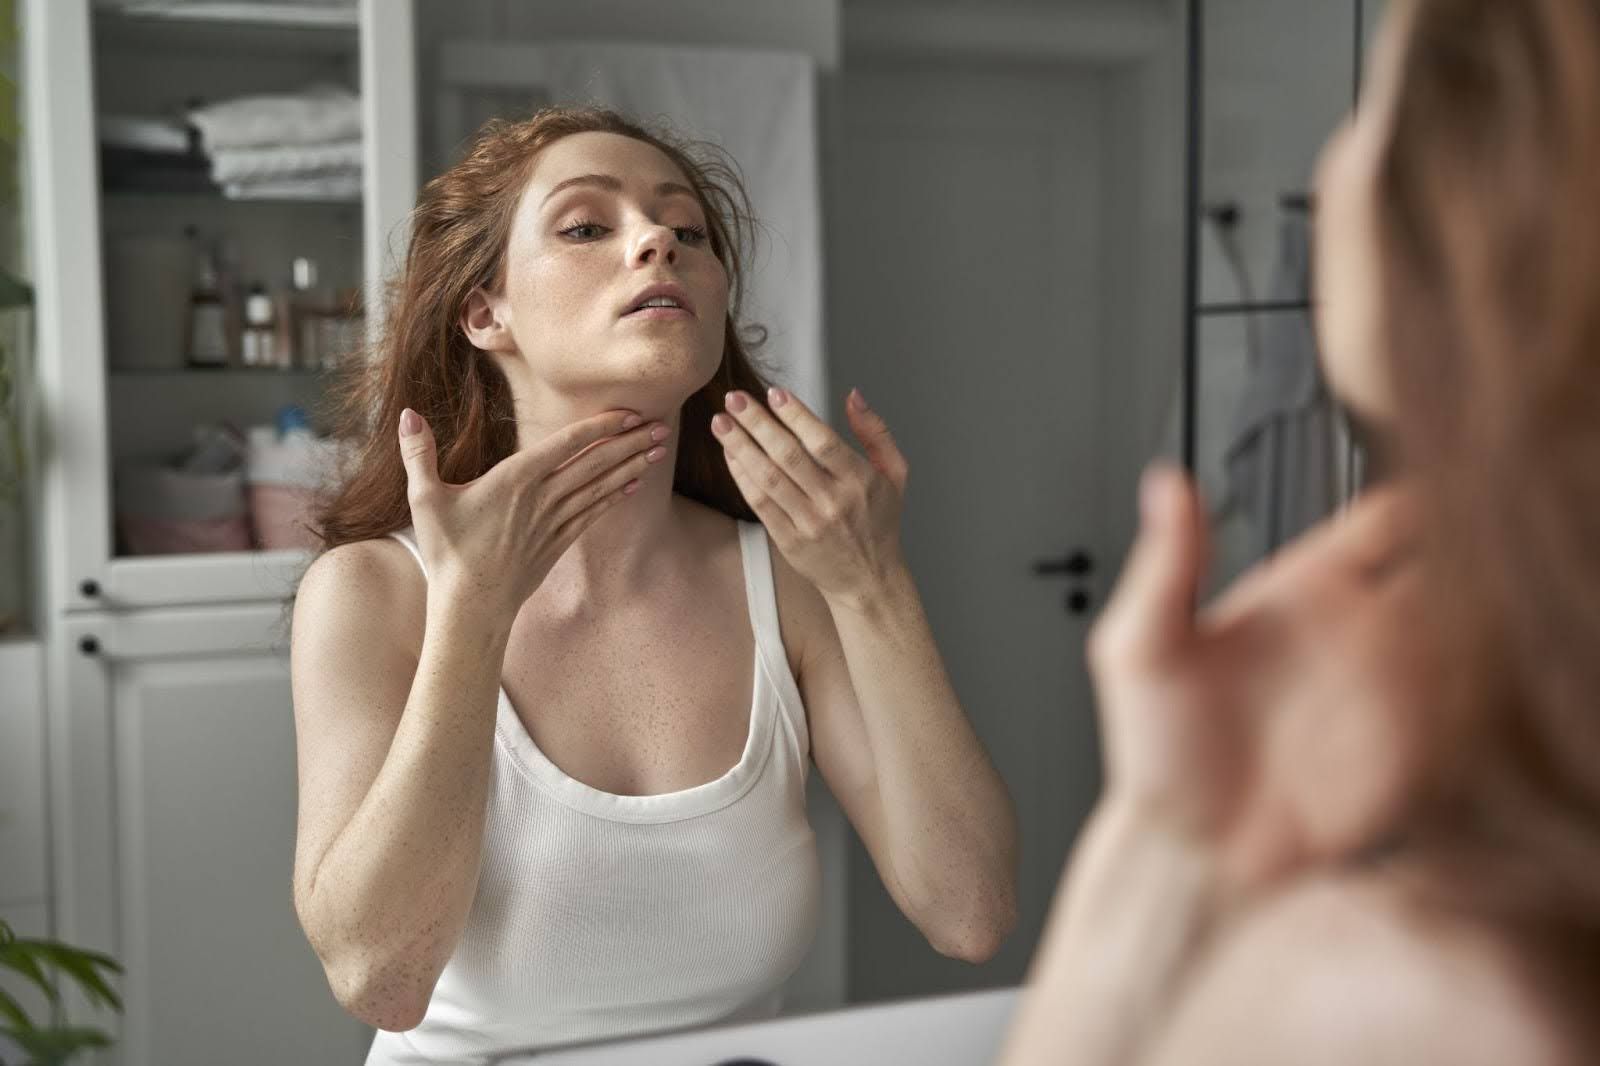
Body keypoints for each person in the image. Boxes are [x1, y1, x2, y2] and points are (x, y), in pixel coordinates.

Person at [287, 107, 1018, 1062]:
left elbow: (970, 913)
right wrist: (472, 616)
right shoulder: (372, 594)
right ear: (485, 312)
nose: (658, 242)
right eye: (587, 225)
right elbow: (381, 979)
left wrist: (875, 586)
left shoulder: (790, 586)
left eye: (690, 232)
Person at [999, 0, 1600, 1062]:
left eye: (1370, 108)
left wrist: (1174, 850)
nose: (1332, 164)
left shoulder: (1404, 991)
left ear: (1478, 203)